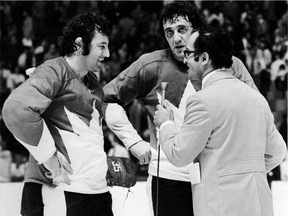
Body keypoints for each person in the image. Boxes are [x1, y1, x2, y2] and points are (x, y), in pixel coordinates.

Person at [103, 1, 258, 216]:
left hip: (217, 176)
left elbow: (257, 112)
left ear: (197, 30)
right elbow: (107, 99)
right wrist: (133, 141)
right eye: (169, 32)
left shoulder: (230, 65)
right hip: (169, 177)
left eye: (182, 29)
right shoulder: (151, 65)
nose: (176, 38)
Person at [153, 25, 287, 216]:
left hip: (220, 206)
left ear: (205, 58)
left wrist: (166, 124)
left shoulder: (201, 101)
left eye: (189, 54)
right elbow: (278, 151)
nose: (185, 59)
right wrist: (246, 173)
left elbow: (179, 154)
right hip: (258, 206)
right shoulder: (257, 98)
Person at [2, 12, 113, 216]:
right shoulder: (54, 71)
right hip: (64, 194)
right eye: (102, 46)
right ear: (80, 44)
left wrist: (101, 169)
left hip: (96, 193)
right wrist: (48, 156)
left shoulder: (93, 84)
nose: (107, 54)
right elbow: (15, 110)